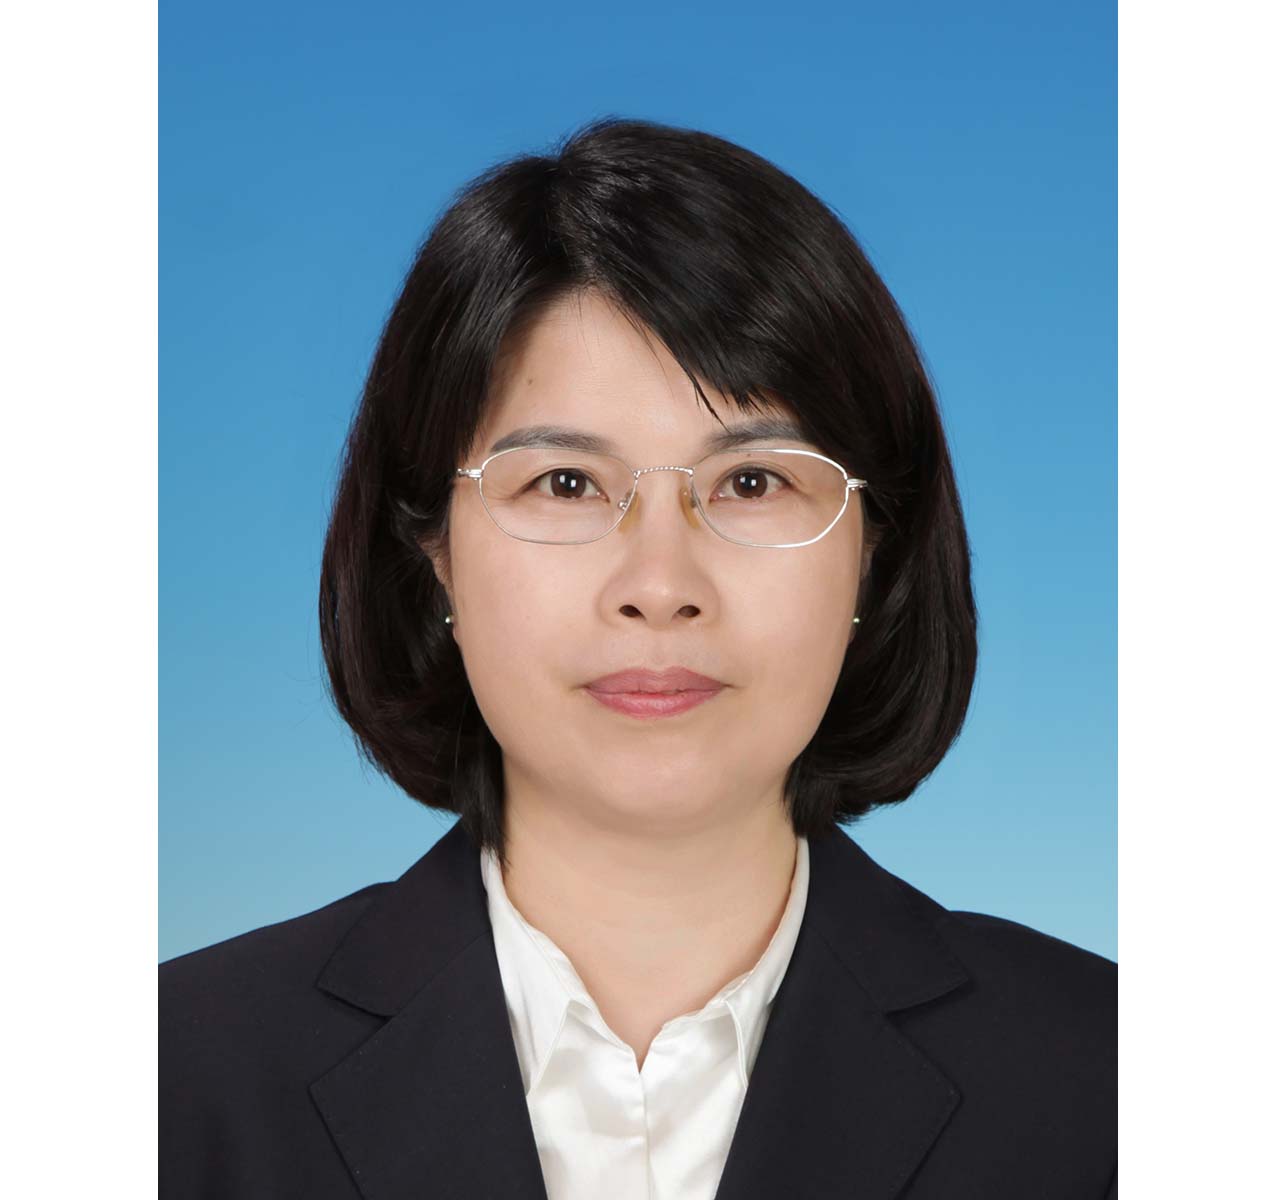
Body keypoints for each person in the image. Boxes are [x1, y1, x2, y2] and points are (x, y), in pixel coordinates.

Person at [160, 116, 1116, 1199]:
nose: (660, 585)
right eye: (564, 484)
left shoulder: (1109, 1087)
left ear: (872, 552)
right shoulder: (171, 1084)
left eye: (752, 482)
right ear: (433, 555)